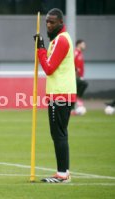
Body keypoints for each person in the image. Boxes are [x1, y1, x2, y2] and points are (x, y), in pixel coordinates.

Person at [34, 8, 76, 183]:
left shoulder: (61, 40)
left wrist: (40, 49)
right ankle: (63, 172)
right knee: (60, 133)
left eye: (52, 22)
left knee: (58, 134)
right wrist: (43, 47)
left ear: (61, 22)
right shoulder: (58, 40)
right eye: (47, 22)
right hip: (61, 93)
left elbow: (49, 68)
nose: (49, 25)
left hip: (60, 94)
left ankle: (62, 174)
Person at [73, 39, 88, 109]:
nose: (84, 46)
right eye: (83, 44)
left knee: (75, 92)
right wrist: (75, 71)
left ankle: (73, 108)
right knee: (84, 84)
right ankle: (78, 100)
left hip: (80, 76)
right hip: (74, 76)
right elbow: (71, 63)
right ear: (79, 44)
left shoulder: (80, 53)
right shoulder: (75, 52)